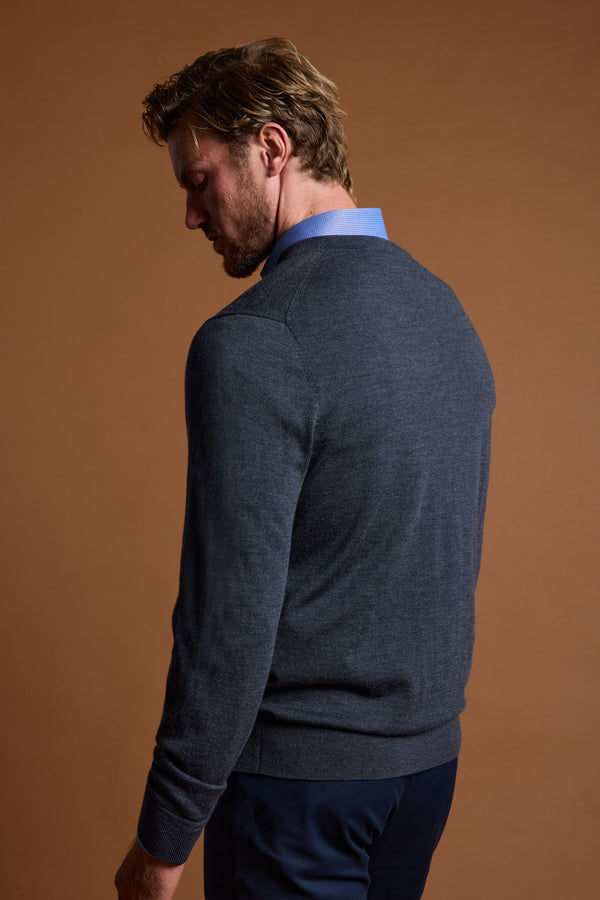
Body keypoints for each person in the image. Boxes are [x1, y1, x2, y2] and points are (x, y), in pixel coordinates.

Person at [114, 37, 495, 900]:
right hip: (424, 777)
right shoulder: (444, 311)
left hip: (297, 791)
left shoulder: (251, 342)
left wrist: (165, 839)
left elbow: (227, 622)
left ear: (272, 148)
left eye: (197, 178)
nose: (192, 214)